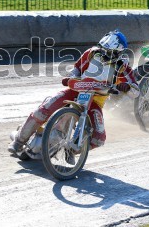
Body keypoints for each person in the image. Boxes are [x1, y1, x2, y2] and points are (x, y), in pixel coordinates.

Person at [8, 30, 139, 154]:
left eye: (109, 52)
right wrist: (71, 77)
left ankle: (72, 151)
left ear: (118, 52)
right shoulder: (92, 53)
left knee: (99, 139)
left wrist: (126, 86)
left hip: (96, 101)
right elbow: (76, 68)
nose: (103, 54)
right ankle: (19, 141)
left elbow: (136, 91)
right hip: (75, 90)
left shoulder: (122, 66)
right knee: (44, 109)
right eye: (103, 50)